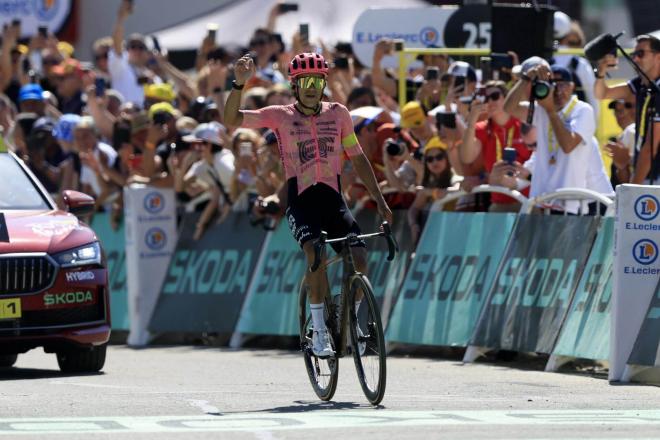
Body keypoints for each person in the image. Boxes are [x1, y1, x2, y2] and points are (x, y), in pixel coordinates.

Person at [224, 52, 392, 358]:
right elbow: (232, 120)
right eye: (304, 82)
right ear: (295, 85)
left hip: (332, 199)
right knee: (316, 253)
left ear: (324, 83)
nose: (311, 87)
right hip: (300, 201)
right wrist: (238, 84)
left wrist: (380, 200)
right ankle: (318, 331)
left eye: (316, 80)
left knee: (359, 256)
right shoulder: (280, 115)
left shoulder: (339, 113)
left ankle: (351, 318)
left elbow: (358, 158)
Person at [504, 61, 603, 214]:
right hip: (544, 200)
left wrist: (550, 110)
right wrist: (525, 78)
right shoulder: (542, 109)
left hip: (570, 203)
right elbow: (508, 108)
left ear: (572, 87)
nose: (557, 90)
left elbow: (568, 145)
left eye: (562, 84)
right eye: (552, 84)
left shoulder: (582, 110)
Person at [594, 34, 660, 184]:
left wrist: (633, 189)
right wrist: (601, 70)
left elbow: (651, 147)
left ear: (658, 57)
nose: (635, 59)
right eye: (634, 54)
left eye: (640, 54)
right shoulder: (641, 84)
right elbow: (602, 93)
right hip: (648, 176)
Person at [460, 81, 531, 212]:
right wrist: (472, 120)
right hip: (499, 204)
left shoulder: (523, 124)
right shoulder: (481, 128)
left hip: (528, 202)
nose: (490, 102)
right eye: (486, 98)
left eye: (495, 96)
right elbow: (467, 158)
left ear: (507, 97)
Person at [605, 99, 636, 187]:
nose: (618, 115)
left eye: (621, 111)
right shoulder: (622, 136)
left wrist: (621, 166)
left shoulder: (632, 133)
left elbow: (628, 181)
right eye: (616, 111)